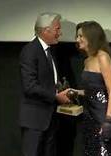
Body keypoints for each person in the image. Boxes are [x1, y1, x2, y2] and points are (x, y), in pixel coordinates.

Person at [19, 12, 71, 156]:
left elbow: (50, 80)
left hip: (50, 118)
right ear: (45, 30)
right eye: (57, 29)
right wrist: (56, 97)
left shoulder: (50, 50)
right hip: (34, 120)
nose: (60, 33)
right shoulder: (30, 51)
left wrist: (63, 90)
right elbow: (30, 86)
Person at [71, 21, 111, 156]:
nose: (77, 39)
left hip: (101, 114)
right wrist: (75, 92)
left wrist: (108, 121)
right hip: (88, 115)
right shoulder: (87, 60)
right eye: (77, 36)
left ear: (91, 36)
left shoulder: (103, 57)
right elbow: (92, 91)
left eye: (80, 36)